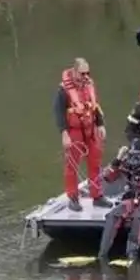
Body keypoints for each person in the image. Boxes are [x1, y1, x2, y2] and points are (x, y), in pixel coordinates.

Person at [55, 58, 112, 212]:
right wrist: (64, 133)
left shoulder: (89, 85)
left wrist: (100, 124)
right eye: (82, 73)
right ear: (74, 72)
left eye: (88, 73)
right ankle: (73, 197)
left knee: (95, 162)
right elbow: (59, 113)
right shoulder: (63, 90)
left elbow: (95, 106)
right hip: (74, 131)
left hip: (91, 128)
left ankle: (97, 196)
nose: (86, 76)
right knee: (72, 164)